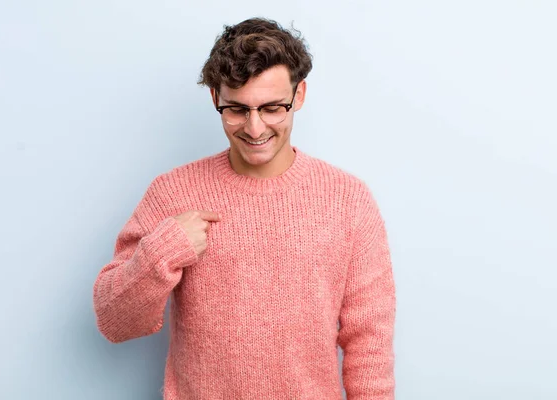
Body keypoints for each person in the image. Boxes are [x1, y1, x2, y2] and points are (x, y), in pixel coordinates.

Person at [92, 17, 396, 400]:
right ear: (216, 98)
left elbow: (369, 341)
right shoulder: (173, 192)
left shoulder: (347, 199)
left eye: (272, 108)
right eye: (237, 109)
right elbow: (114, 321)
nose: (255, 129)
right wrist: (162, 252)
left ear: (299, 95)